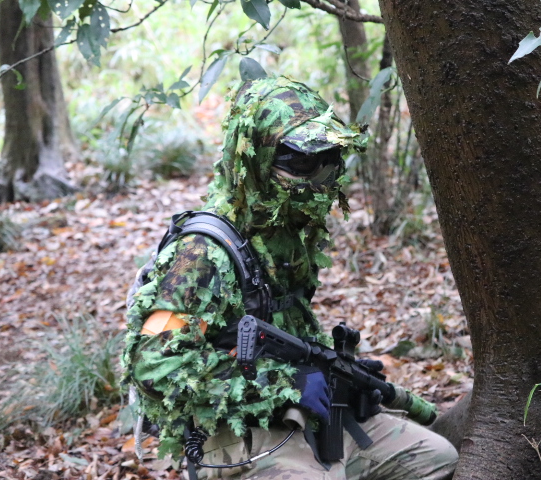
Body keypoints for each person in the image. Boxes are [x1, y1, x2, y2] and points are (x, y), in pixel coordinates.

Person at [122, 76, 458, 480]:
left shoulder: (286, 236)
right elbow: (155, 368)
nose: (319, 179)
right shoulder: (202, 253)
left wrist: (340, 377)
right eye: (301, 163)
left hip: (303, 415)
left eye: (329, 160)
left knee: (436, 457)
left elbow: (283, 337)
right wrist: (282, 385)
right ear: (257, 160)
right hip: (233, 430)